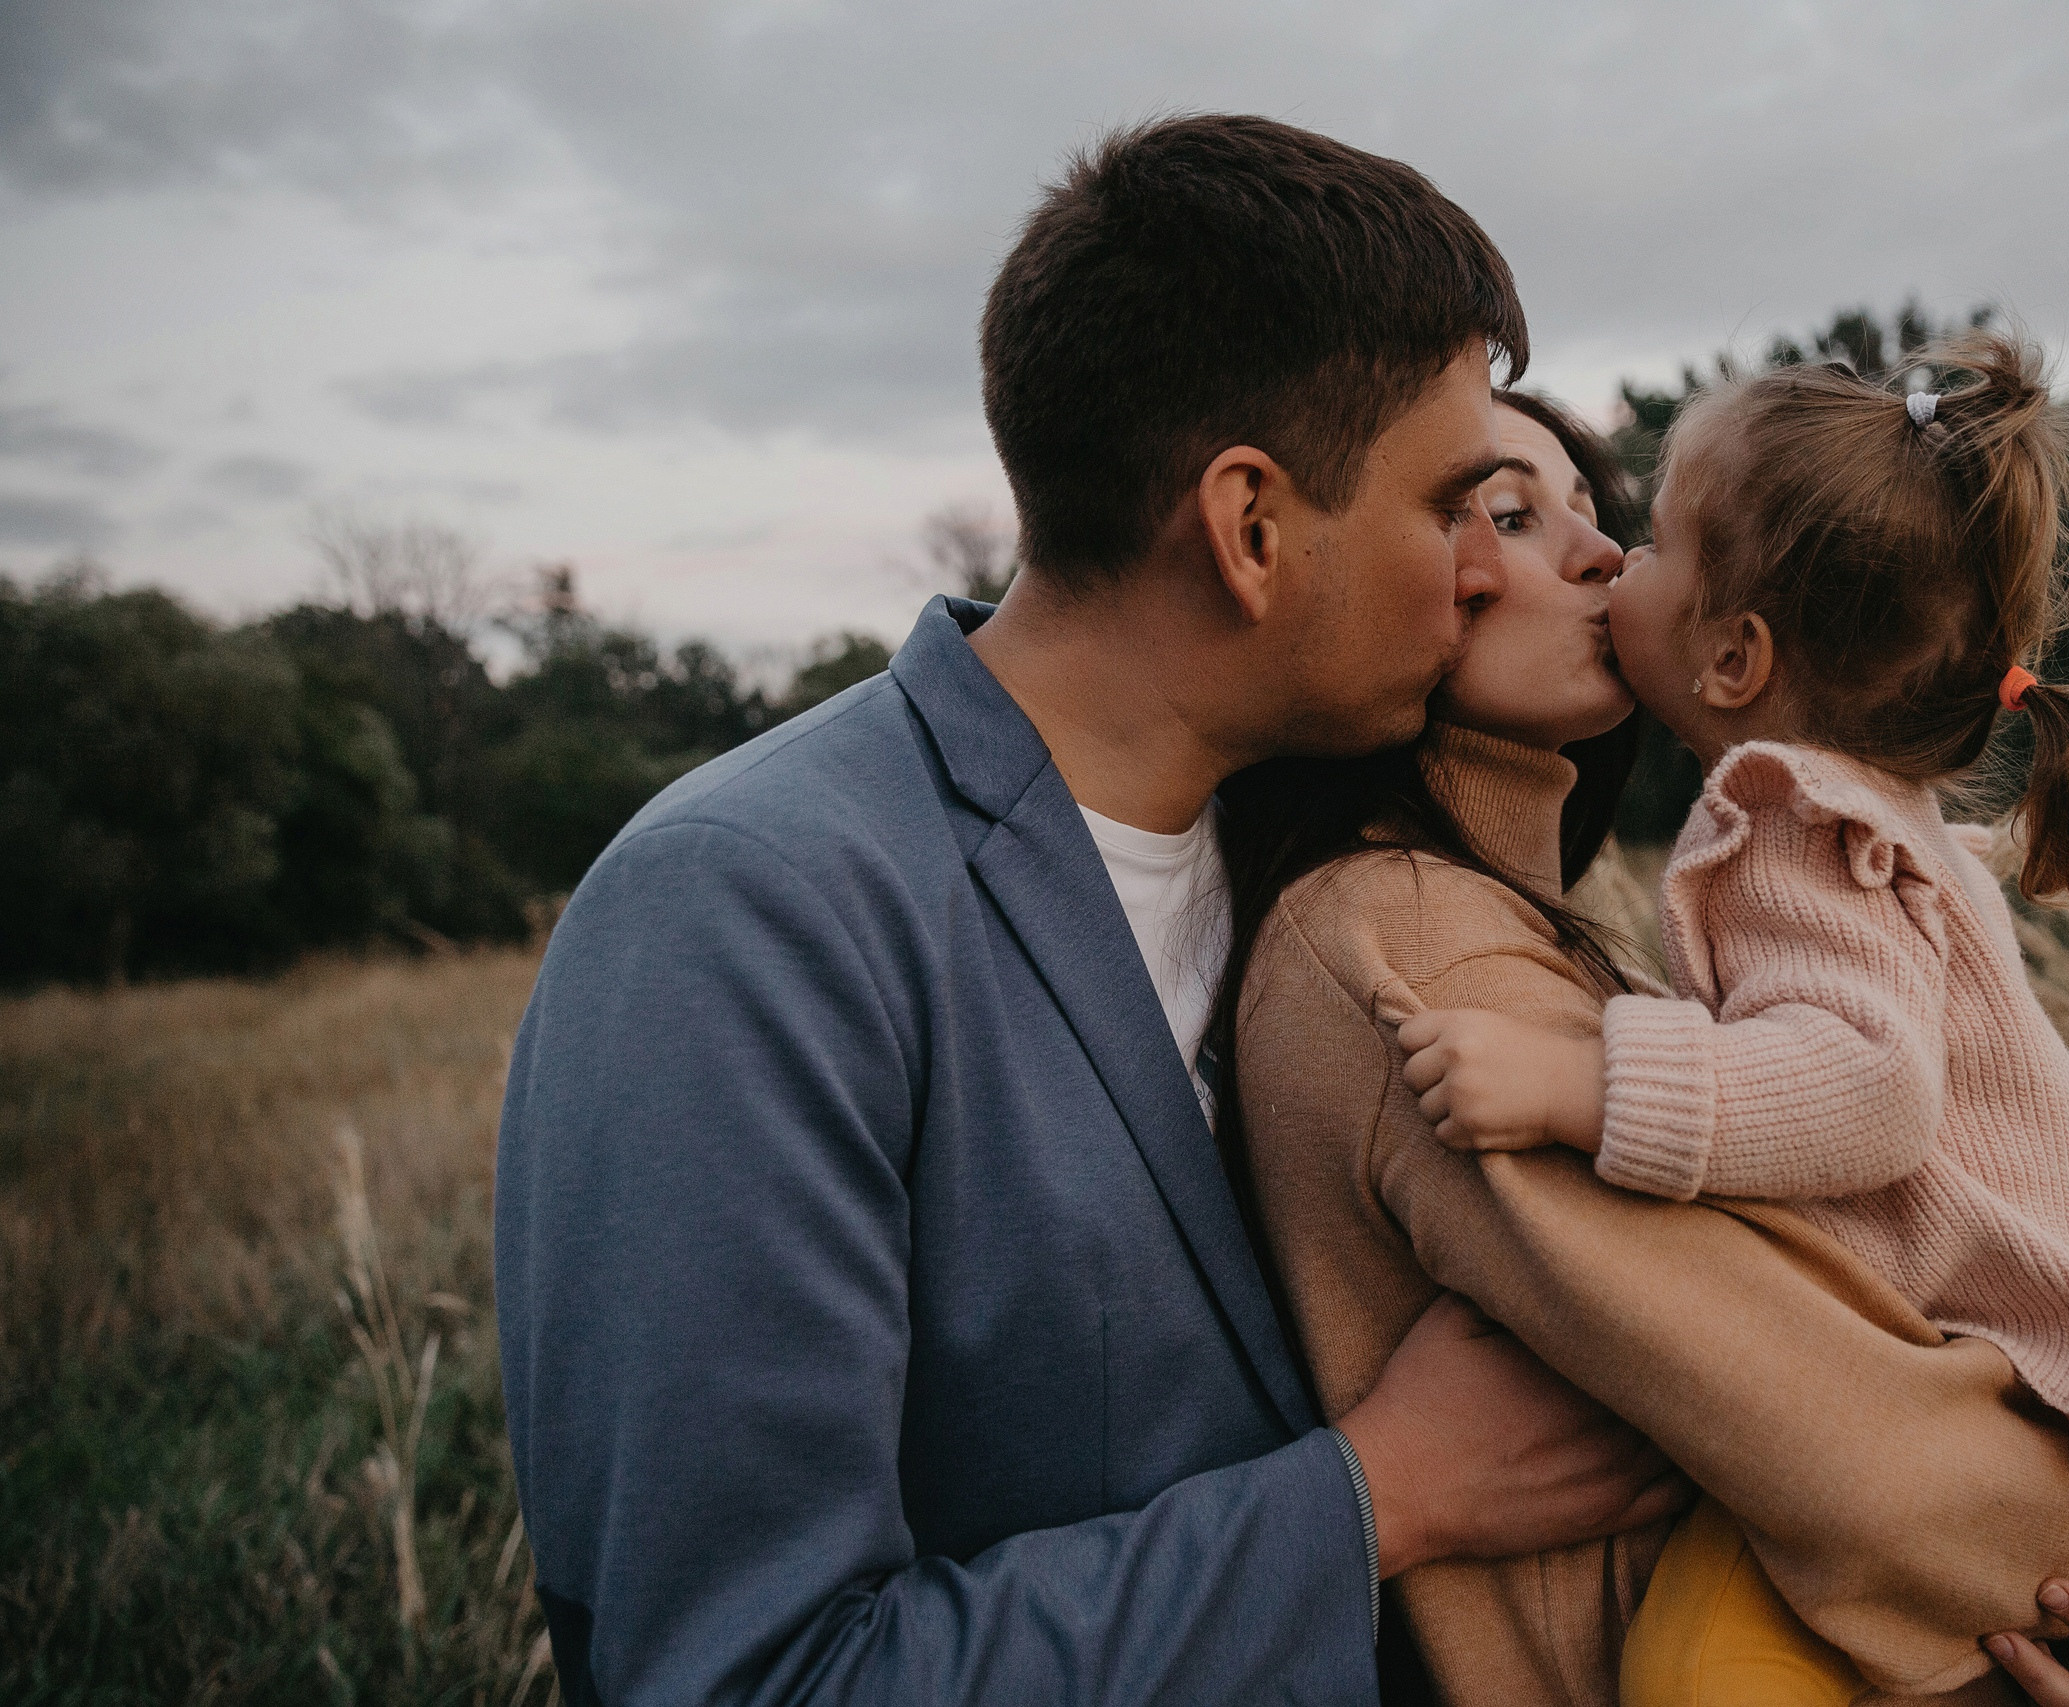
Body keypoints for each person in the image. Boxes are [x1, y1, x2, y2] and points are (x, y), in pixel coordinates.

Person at [495, 115, 1692, 1705]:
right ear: (1251, 530)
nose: (1474, 573)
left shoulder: (1324, 869)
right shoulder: (747, 916)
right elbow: (752, 1678)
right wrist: (1372, 1502)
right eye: (1445, 507)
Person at [1219, 384, 2069, 1706]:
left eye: (1602, 511)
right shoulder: (1414, 949)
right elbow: (1875, 1465)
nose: (1601, 554)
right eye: (1506, 512)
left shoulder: (1575, 933)